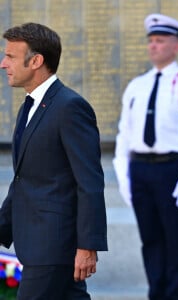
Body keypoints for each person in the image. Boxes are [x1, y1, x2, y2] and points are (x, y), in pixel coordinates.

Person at [0, 22, 107, 299]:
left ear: (36, 61)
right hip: (38, 242)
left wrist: (88, 246)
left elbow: (90, 181)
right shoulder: (31, 105)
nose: (3, 64)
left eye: (10, 56)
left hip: (52, 245)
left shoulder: (69, 107)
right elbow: (25, 179)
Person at [113, 13, 178, 300]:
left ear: (176, 46)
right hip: (141, 169)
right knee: (150, 240)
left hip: (172, 169)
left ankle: (176, 295)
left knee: (176, 242)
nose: (154, 46)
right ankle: (156, 294)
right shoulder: (137, 86)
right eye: (151, 41)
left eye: (161, 41)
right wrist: (123, 174)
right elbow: (124, 134)